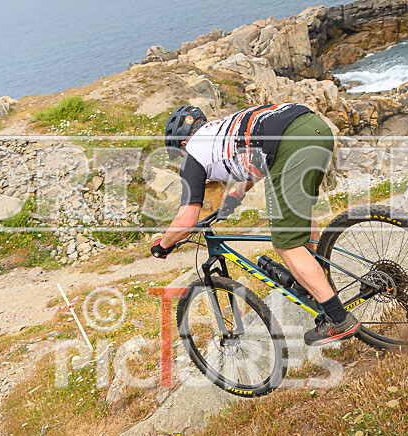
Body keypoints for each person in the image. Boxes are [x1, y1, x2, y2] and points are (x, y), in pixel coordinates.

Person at [150, 103, 360, 346]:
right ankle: (317, 285)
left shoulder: (193, 155)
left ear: (184, 144)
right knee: (299, 217)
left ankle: (338, 319)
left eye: (179, 154)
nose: (182, 160)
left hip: (290, 144)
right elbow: (256, 157)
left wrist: (162, 245)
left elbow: (187, 220)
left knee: (286, 244)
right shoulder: (220, 130)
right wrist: (236, 196)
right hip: (314, 128)